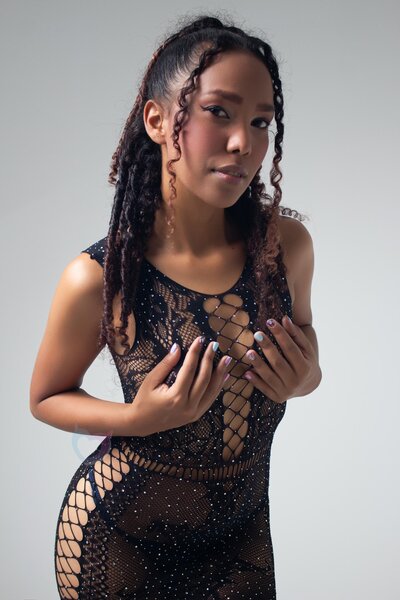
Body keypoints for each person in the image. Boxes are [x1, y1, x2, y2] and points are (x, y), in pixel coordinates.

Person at [30, 13, 322, 599]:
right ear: (158, 121)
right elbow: (45, 398)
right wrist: (136, 420)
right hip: (120, 539)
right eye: (219, 111)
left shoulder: (285, 248)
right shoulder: (101, 277)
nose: (244, 143)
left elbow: (306, 346)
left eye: (260, 122)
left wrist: (306, 377)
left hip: (240, 535)